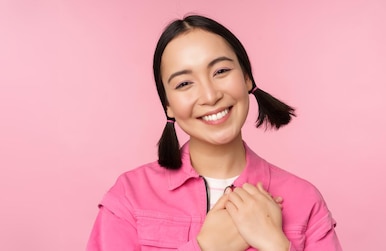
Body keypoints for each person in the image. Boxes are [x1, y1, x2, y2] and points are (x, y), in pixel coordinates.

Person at [86, 15, 342, 251]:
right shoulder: (129, 195)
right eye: (184, 83)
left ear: (247, 78)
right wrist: (206, 246)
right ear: (168, 105)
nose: (210, 96)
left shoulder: (305, 200)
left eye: (220, 71)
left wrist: (276, 245)